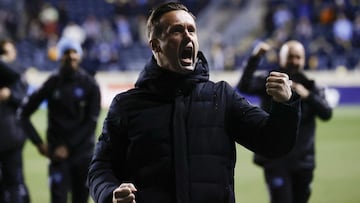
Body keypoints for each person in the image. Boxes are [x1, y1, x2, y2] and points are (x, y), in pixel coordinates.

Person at [87, 2, 301, 203]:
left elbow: (274, 143)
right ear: (156, 46)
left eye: (192, 30)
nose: (188, 36)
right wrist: (110, 194)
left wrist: (285, 104)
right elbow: (99, 168)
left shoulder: (222, 97)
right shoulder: (126, 106)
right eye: (177, 30)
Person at [237, 40, 333, 203]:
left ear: (304, 59)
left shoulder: (311, 86)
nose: (294, 61)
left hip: (303, 162)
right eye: (290, 57)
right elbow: (244, 86)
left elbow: (326, 113)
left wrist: (307, 96)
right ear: (281, 58)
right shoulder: (271, 82)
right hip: (275, 160)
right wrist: (255, 58)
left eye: (298, 57)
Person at [18, 37, 101, 203]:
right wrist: (39, 143)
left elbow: (91, 123)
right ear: (59, 56)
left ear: (80, 55)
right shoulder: (52, 83)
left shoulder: (90, 85)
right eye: (66, 52)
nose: (71, 56)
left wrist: (67, 147)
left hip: (82, 155)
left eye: (74, 52)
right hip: (58, 157)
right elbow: (23, 114)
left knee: (80, 199)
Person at [0, 39, 31, 203]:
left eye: (7, 52)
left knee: (15, 181)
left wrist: (10, 95)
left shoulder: (17, 74)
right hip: (10, 134)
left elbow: (25, 100)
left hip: (11, 136)